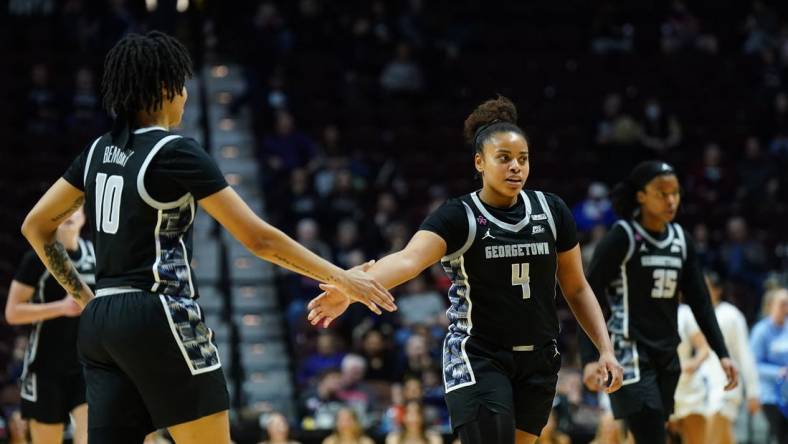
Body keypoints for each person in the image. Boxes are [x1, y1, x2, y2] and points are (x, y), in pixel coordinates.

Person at [19, 31, 395, 444]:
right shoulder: (174, 151)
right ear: (165, 88)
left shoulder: (96, 152)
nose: (185, 95)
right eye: (181, 85)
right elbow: (259, 240)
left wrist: (85, 298)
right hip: (158, 312)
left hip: (100, 323)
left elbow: (36, 226)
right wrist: (344, 278)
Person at [307, 95, 624, 444]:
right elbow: (408, 260)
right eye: (503, 159)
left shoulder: (552, 211)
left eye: (523, 159)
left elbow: (577, 288)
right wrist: (351, 289)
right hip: (479, 355)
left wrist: (605, 349)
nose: (515, 167)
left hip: (539, 358)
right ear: (480, 162)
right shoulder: (459, 215)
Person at [578, 161, 738, 444]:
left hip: (667, 354)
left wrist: (722, 352)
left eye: (675, 193)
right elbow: (585, 294)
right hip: (629, 353)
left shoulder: (681, 240)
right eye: (662, 193)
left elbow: (701, 301)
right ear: (641, 196)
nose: (671, 200)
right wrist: (590, 358)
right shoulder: (622, 236)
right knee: (651, 435)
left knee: (650, 434)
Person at [6, 207, 92, 444]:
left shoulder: (96, 256)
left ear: (84, 217)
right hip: (44, 367)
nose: (70, 214)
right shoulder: (36, 257)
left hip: (86, 366)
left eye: (76, 209)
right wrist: (60, 308)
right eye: (64, 209)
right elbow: (12, 312)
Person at [702, 271, 761, 444]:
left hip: (726, 387)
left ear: (717, 290)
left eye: (706, 288)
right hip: (701, 386)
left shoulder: (731, 315)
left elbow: (745, 354)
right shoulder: (693, 314)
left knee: (708, 438)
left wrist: (753, 392)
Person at [668, 304, 710, 444]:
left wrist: (694, 363)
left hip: (688, 387)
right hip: (660, 386)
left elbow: (704, 348)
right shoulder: (647, 308)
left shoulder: (685, 313)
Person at [750, 288, 788, 443]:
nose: (787, 308)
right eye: (783, 304)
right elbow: (753, 365)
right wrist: (778, 371)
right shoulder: (761, 330)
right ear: (770, 305)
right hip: (770, 395)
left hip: (787, 394)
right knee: (779, 436)